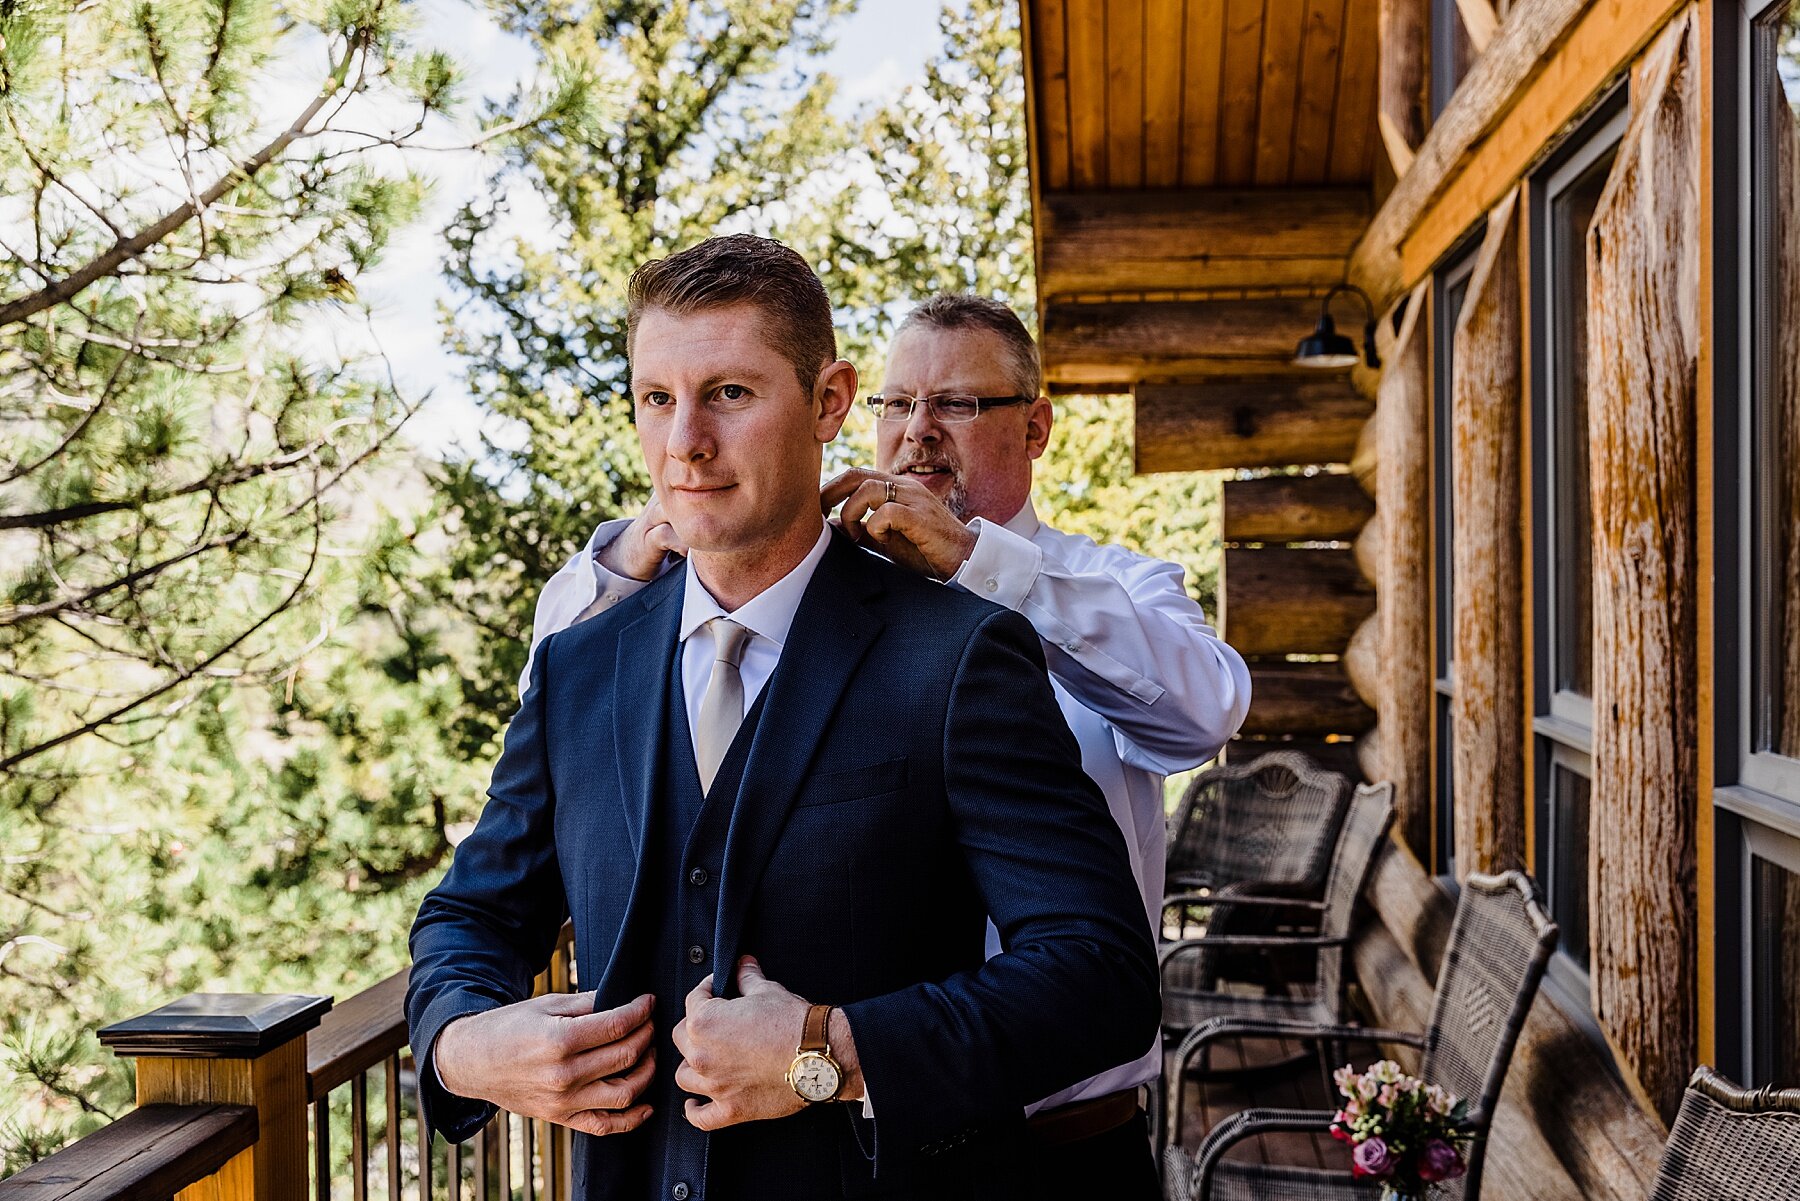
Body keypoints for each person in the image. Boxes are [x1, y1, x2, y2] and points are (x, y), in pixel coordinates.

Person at [406, 235, 1159, 1201]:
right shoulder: (576, 668)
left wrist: (831, 1052)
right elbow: (470, 914)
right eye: (656, 399)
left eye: (728, 393)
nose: (684, 442)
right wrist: (464, 1045)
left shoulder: (962, 654)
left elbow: (1101, 976)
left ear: (831, 402)